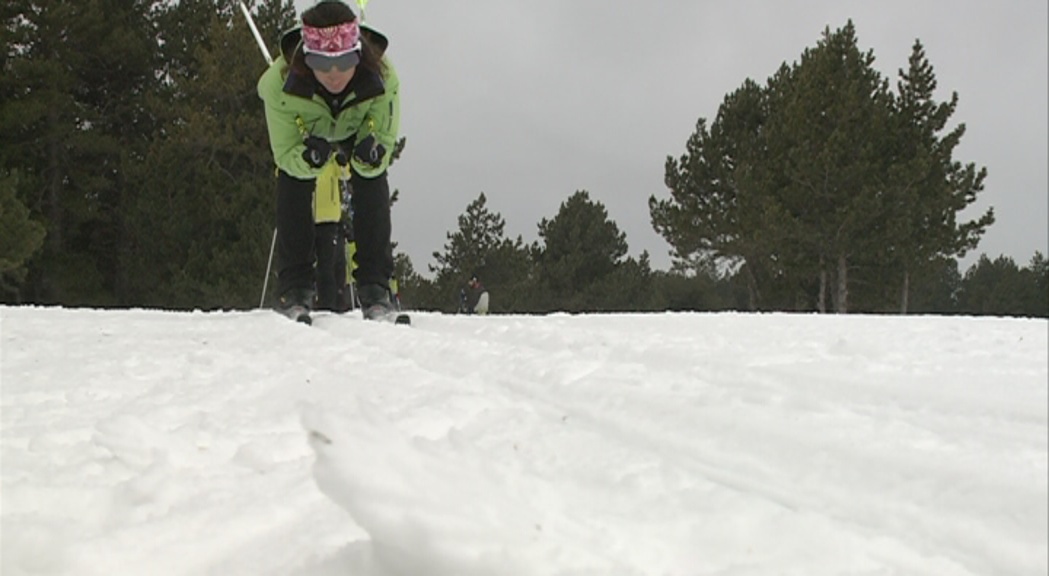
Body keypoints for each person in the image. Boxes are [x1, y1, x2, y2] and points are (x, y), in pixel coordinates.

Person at [258, 0, 399, 322]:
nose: (334, 75)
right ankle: (295, 288)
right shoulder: (277, 86)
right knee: (292, 180)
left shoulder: (384, 78)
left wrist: (371, 154)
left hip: (357, 123)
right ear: (308, 59)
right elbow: (284, 154)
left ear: (358, 56)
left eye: (344, 61)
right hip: (310, 130)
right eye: (322, 63)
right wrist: (307, 159)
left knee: (372, 180)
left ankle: (376, 287)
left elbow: (385, 140)